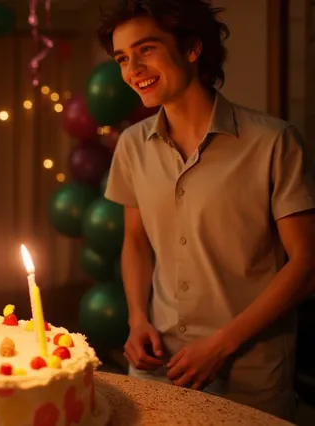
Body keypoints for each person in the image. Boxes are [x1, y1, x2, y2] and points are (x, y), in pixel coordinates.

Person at [99, 0, 315, 421]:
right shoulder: (131, 146)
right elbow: (136, 241)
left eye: (146, 50)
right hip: (157, 368)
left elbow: (306, 265)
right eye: (123, 58)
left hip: (250, 378)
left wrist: (222, 345)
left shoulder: (274, 143)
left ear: (192, 49)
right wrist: (137, 318)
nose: (133, 69)